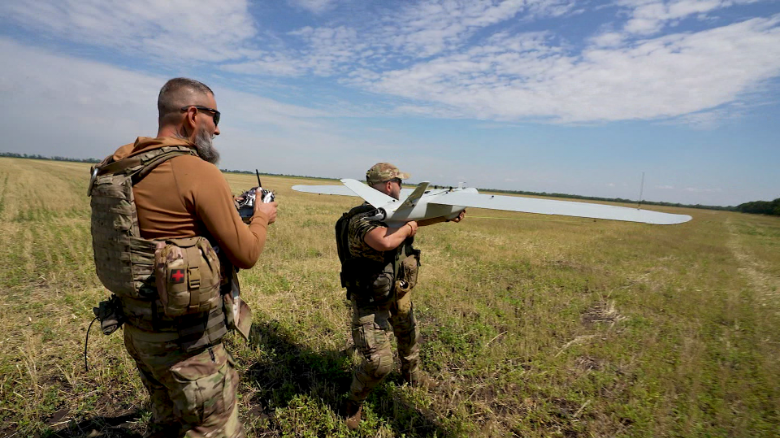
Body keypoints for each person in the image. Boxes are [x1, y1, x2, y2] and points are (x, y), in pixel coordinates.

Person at [90, 78, 277, 437]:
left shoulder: (123, 161)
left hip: (138, 329)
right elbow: (247, 253)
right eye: (215, 116)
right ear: (192, 115)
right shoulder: (197, 171)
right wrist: (260, 217)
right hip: (186, 342)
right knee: (214, 429)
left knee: (168, 421)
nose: (218, 129)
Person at [337, 163, 465, 430]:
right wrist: (408, 229)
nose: (401, 188)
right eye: (399, 183)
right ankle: (354, 402)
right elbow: (385, 240)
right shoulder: (361, 220)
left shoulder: (392, 214)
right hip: (370, 300)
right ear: (388, 185)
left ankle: (411, 375)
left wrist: (445, 216)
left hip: (397, 291)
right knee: (379, 364)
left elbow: (412, 220)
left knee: (409, 337)